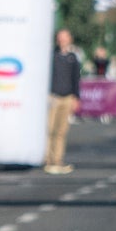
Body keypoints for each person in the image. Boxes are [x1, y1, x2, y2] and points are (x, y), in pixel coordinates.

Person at [45, 29, 82, 175]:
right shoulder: (52, 55)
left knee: (61, 131)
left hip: (67, 97)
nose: (62, 40)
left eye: (65, 37)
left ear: (70, 39)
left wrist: (76, 97)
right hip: (53, 96)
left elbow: (76, 79)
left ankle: (57, 159)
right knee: (49, 129)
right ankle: (47, 159)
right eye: (60, 37)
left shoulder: (73, 57)